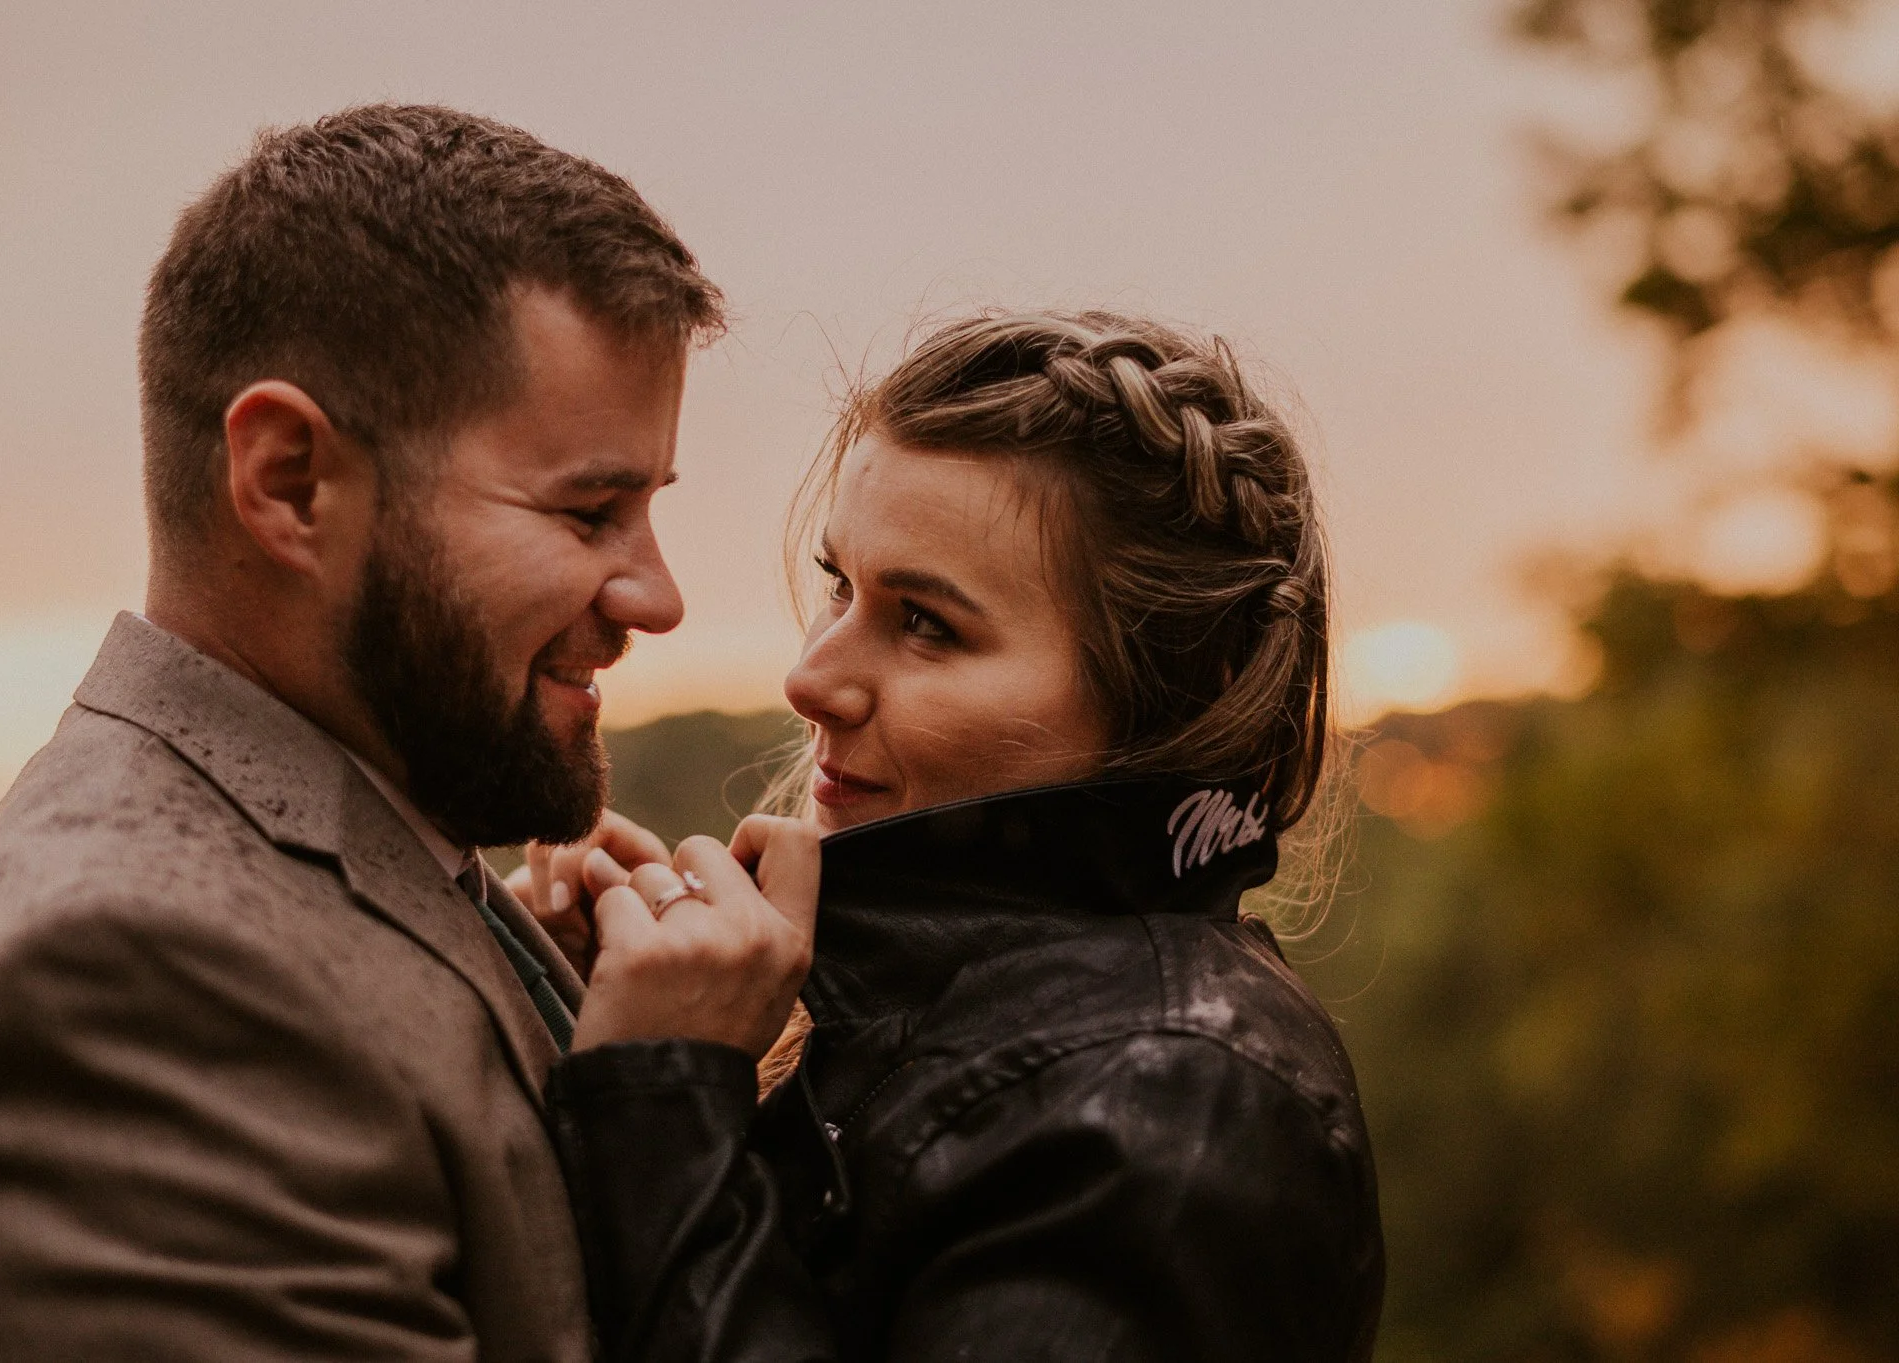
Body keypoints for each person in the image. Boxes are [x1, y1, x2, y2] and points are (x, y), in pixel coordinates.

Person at [0, 105, 817, 1362]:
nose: (656, 594)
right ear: (289, 482)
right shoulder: (133, 989)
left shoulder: (368, 853)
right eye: (590, 511)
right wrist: (667, 1104)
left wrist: (570, 1030)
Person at [530, 311, 1386, 1361]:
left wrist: (660, 1102)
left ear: (1161, 701)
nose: (809, 675)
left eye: (925, 623)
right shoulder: (933, 1008)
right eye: (840, 586)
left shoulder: (1167, 1102)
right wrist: (594, 1015)